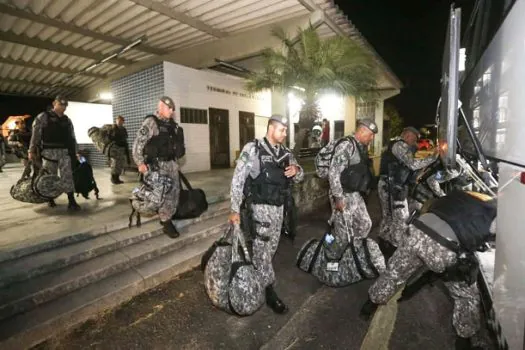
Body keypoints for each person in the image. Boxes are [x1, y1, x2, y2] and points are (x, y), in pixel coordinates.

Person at [360, 190, 496, 350]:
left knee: (394, 274)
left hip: (417, 230)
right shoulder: (498, 216)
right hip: (443, 248)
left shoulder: (466, 194)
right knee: (466, 297)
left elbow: (434, 205)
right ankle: (464, 341)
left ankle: (369, 306)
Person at [228, 114, 304, 314]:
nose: (285, 133)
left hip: (279, 210)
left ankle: (257, 278)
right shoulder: (252, 149)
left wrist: (297, 170)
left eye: (285, 130)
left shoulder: (286, 153)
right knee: (262, 253)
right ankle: (269, 292)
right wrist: (234, 209)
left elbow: (299, 176)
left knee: (269, 250)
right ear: (271, 128)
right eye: (282, 130)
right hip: (260, 210)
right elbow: (238, 179)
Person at [377, 126, 438, 254]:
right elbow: (412, 164)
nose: (414, 142)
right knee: (400, 219)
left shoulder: (397, 145)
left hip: (389, 185)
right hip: (391, 187)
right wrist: (434, 157)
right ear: (408, 135)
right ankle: (396, 248)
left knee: (388, 217)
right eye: (414, 139)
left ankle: (384, 244)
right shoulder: (400, 145)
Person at [132, 96, 184, 238]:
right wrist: (140, 163)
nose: (172, 111)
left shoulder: (172, 125)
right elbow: (138, 144)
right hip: (157, 166)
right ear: (161, 107)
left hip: (171, 165)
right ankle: (166, 222)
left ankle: (167, 216)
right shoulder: (151, 122)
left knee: (173, 193)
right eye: (169, 108)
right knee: (161, 195)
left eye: (173, 109)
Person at [327, 118, 377, 256]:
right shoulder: (347, 146)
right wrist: (338, 198)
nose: (372, 138)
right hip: (342, 194)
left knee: (365, 224)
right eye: (370, 134)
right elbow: (333, 172)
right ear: (362, 131)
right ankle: (333, 262)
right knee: (342, 234)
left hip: (354, 194)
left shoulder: (361, 147)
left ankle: (351, 255)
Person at [28, 95, 80, 210]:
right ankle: (50, 199)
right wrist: (31, 150)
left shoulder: (67, 120)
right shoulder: (43, 117)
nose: (63, 107)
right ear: (54, 103)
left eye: (65, 105)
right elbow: (35, 135)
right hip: (48, 153)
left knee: (67, 176)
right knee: (50, 177)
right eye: (61, 104)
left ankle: (71, 200)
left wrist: (76, 151)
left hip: (64, 153)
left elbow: (72, 137)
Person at [109, 115, 129, 184]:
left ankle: (117, 178)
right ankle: (113, 178)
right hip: (115, 148)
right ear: (116, 120)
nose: (120, 122)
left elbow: (125, 137)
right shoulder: (113, 128)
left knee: (119, 164)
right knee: (115, 164)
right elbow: (111, 138)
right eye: (118, 120)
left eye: (121, 120)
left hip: (121, 148)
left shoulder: (123, 129)